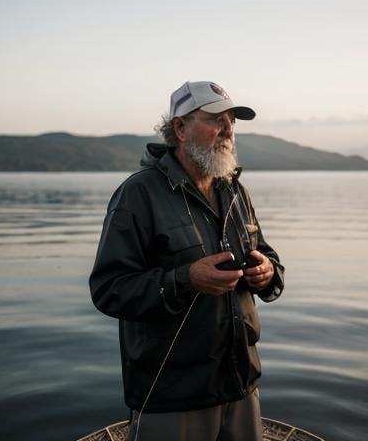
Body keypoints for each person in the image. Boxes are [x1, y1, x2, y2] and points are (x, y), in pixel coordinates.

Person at [89, 81, 285, 441]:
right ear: (180, 128)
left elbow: (267, 254)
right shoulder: (138, 194)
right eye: (216, 119)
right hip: (172, 397)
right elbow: (108, 289)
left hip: (241, 387)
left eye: (231, 120)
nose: (228, 130)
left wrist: (268, 272)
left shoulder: (235, 191)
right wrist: (185, 279)